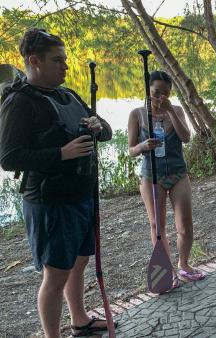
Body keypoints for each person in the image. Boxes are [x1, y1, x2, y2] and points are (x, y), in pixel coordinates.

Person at [0, 29, 113, 338]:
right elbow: (9, 157)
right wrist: (61, 153)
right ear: (33, 61)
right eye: (57, 61)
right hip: (50, 202)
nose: (65, 67)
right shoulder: (19, 102)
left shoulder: (69, 94)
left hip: (81, 193)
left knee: (79, 261)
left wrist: (97, 125)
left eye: (65, 60)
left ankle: (80, 320)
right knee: (56, 273)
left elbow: (106, 132)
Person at [127, 71, 205, 286]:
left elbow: (186, 137)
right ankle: (166, 270)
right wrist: (142, 146)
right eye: (156, 92)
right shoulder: (137, 114)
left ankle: (184, 265)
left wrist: (171, 110)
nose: (160, 97)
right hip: (152, 175)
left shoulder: (177, 110)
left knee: (185, 225)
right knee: (157, 226)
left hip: (178, 173)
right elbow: (131, 149)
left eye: (166, 93)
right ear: (148, 90)